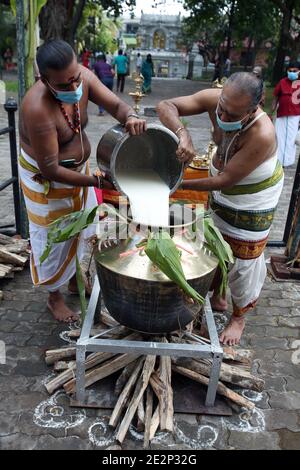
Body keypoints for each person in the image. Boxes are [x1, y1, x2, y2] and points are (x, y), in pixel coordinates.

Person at [19, 40, 146, 323]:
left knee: (85, 223)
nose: (74, 86)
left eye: (76, 77)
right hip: (48, 179)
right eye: (64, 85)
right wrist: (95, 182)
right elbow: (50, 168)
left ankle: (76, 274)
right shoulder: (36, 107)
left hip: (81, 172)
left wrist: (131, 116)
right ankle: (54, 297)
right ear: (44, 80)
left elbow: (115, 104)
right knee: (54, 237)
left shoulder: (82, 78)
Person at [156, 72, 284, 345]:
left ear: (255, 107)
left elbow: (224, 181)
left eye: (232, 115)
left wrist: (172, 187)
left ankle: (238, 317)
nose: (223, 118)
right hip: (222, 187)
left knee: (245, 258)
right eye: (221, 110)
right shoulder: (218, 100)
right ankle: (218, 296)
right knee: (215, 241)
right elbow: (164, 106)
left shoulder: (262, 134)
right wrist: (183, 133)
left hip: (252, 198)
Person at [272, 61, 300, 167]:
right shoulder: (282, 82)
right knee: (279, 137)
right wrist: (271, 111)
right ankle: (277, 160)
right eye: (290, 71)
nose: (292, 73)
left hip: (295, 115)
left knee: (291, 139)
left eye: (295, 71)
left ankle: (287, 161)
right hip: (281, 115)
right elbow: (275, 97)